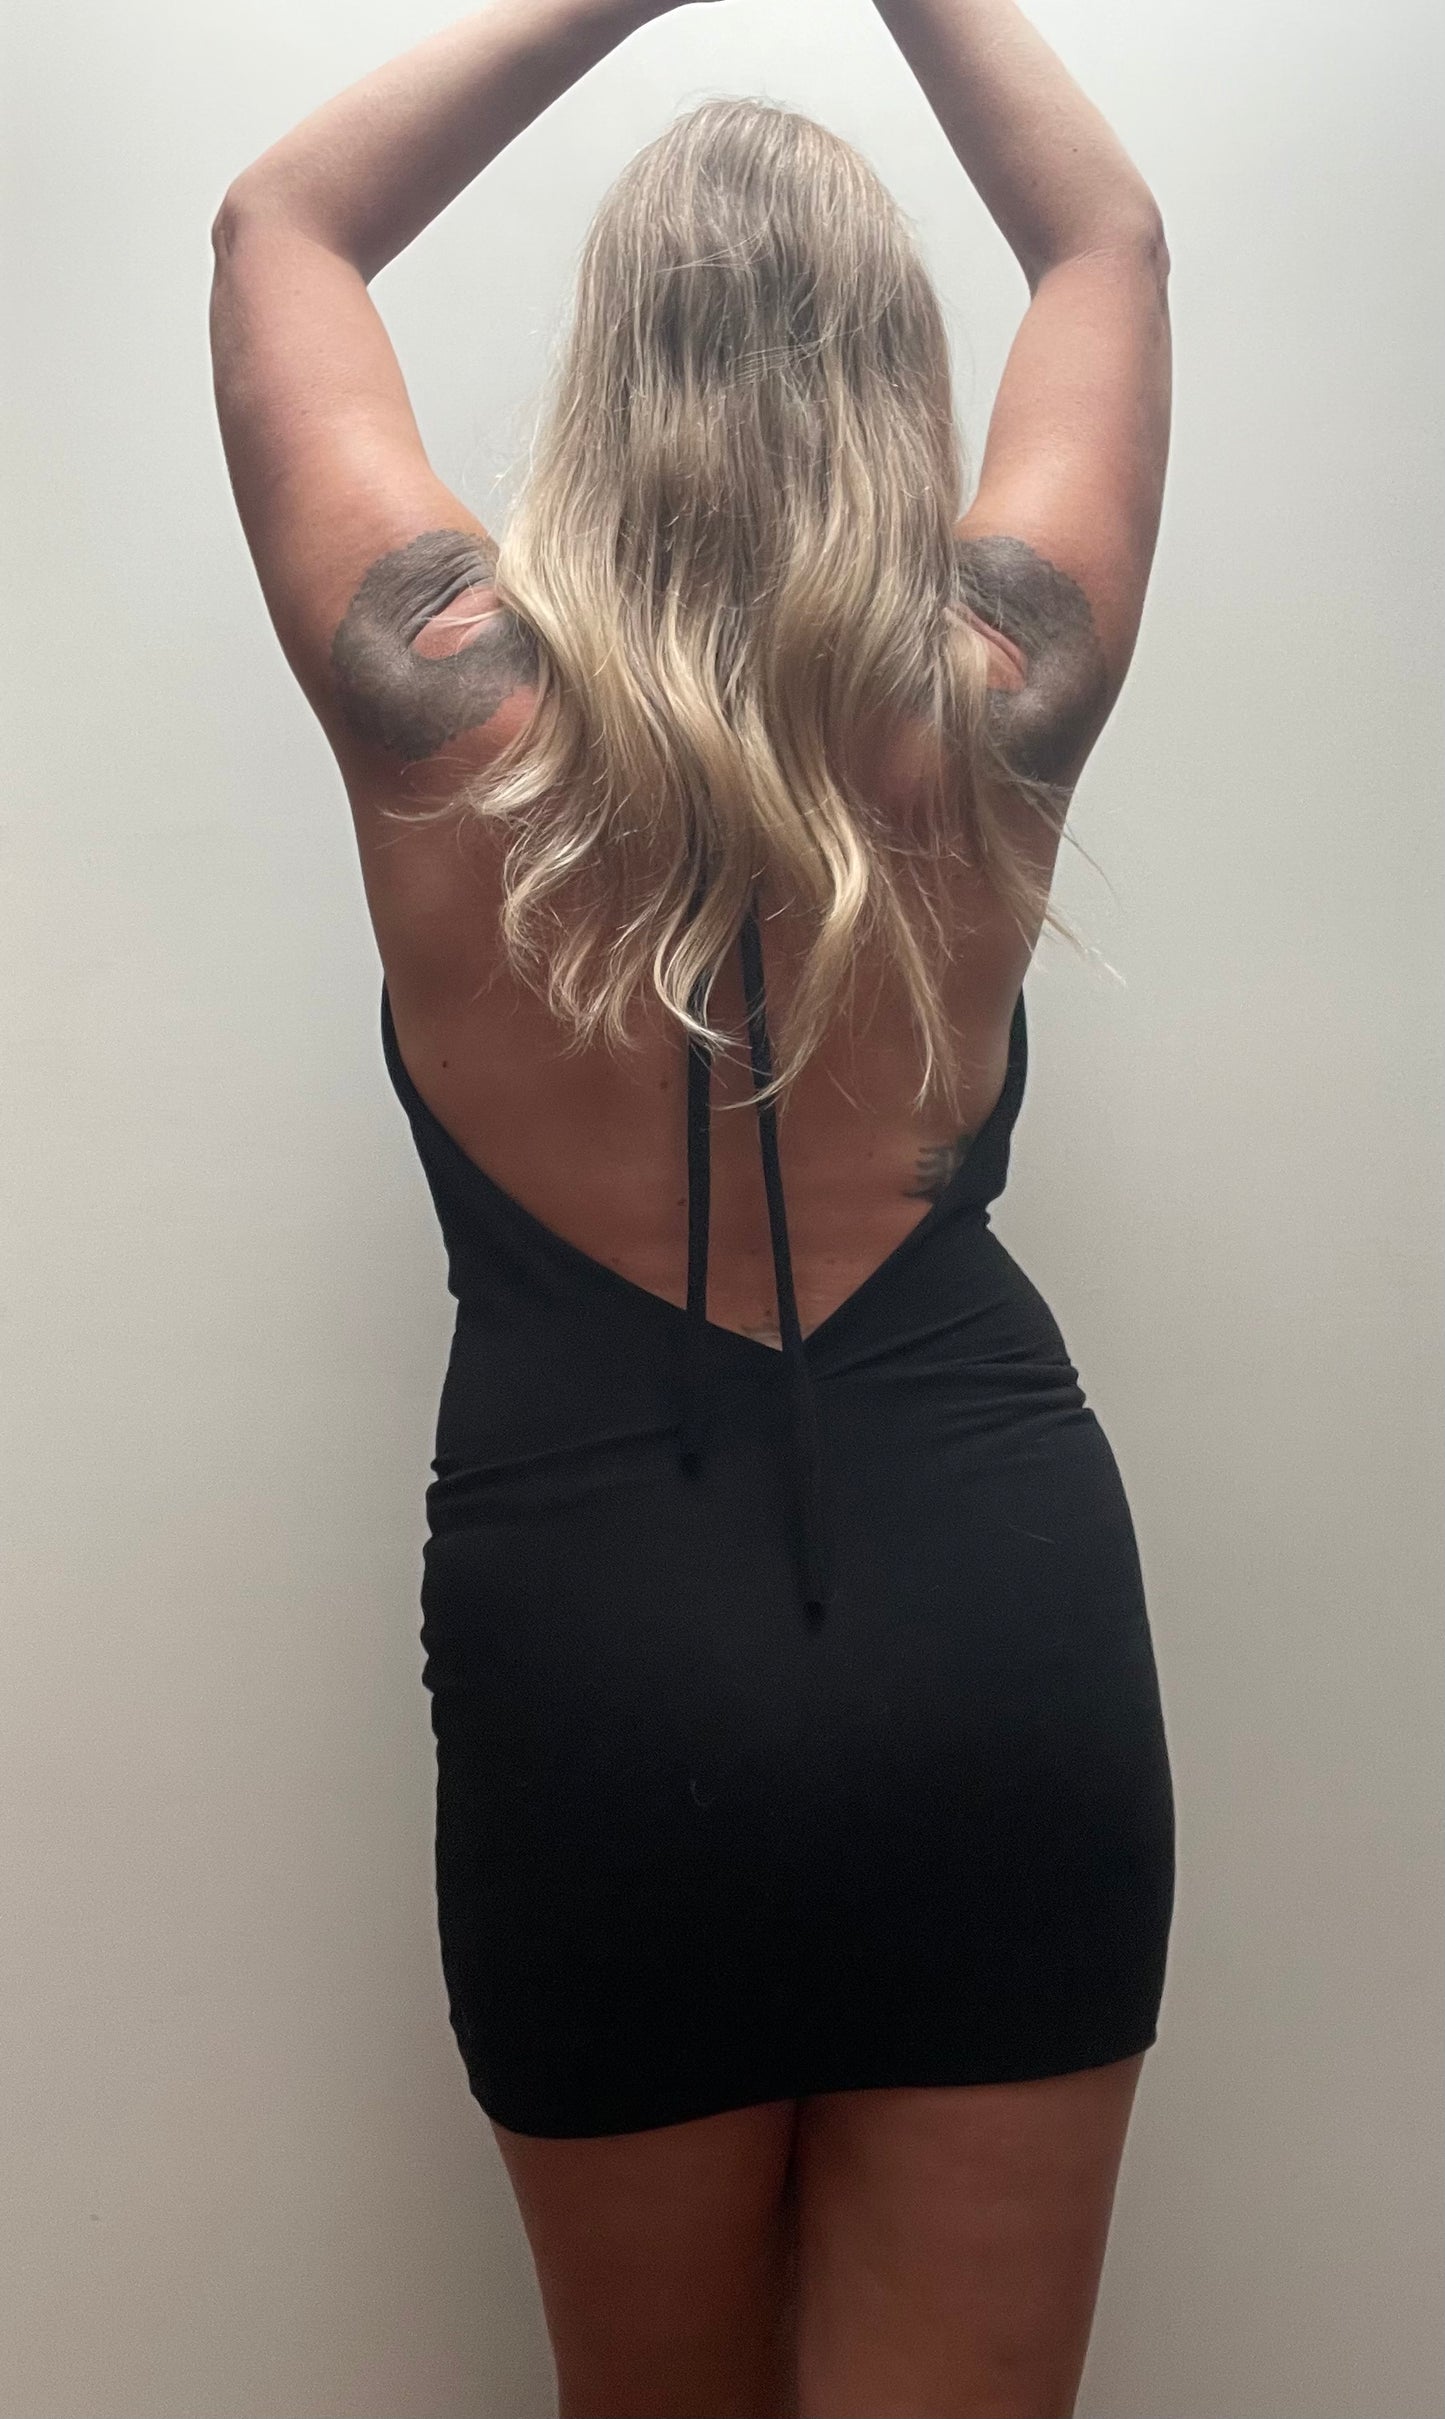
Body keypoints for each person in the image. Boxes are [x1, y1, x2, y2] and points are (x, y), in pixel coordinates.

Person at [209, 0, 1175, 2407]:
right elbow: (1106, 238)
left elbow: (282, 224)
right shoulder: (1000, 683)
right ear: (896, 382)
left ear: (608, 373)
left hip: (596, 1658)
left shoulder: (442, 696)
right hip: (994, 1624)